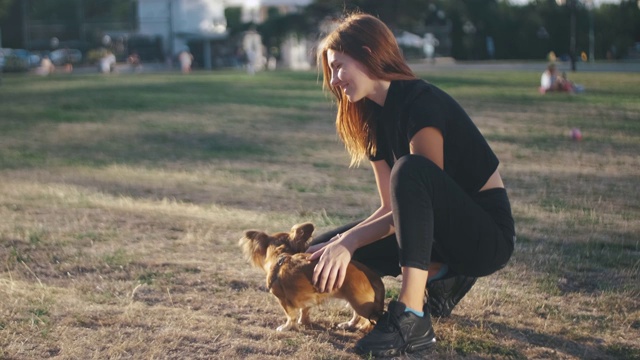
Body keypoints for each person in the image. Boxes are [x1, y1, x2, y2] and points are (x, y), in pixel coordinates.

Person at [307, 13, 515, 357]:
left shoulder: (421, 102)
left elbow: (422, 195)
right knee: (322, 250)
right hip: (437, 236)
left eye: (338, 66)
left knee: (410, 171)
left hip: (485, 237)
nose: (334, 80)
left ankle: (412, 316)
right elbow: (394, 209)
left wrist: (352, 240)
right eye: (329, 71)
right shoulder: (372, 119)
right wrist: (343, 242)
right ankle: (442, 275)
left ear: (367, 53)